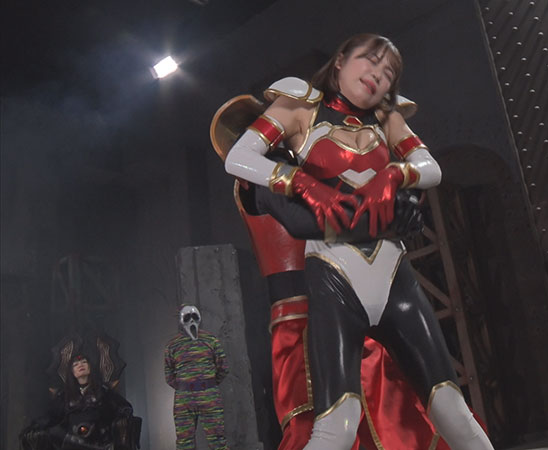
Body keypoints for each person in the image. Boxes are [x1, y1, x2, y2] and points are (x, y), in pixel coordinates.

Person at [224, 33, 494, 449]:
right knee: (334, 425)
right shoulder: (292, 120)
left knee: (448, 409)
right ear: (340, 61)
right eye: (370, 60)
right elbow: (246, 165)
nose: (378, 75)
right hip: (323, 286)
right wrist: (302, 183)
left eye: (389, 72)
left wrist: (396, 176)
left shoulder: (386, 117)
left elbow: (429, 168)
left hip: (389, 273)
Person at [20, 355, 136, 450]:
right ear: (72, 372)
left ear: (90, 368)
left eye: (84, 362)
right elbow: (51, 416)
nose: (80, 365)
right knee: (51, 432)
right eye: (75, 365)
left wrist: (123, 418)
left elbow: (124, 407)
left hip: (98, 434)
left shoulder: (103, 391)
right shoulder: (64, 395)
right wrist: (35, 425)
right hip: (71, 437)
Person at [164, 305, 229, 450]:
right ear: (181, 320)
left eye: (194, 317)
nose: (191, 321)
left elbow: (223, 367)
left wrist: (209, 385)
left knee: (218, 442)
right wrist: (186, 387)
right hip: (185, 398)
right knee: (184, 443)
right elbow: (169, 375)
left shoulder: (211, 340)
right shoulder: (172, 346)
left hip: (207, 395)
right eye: (187, 317)